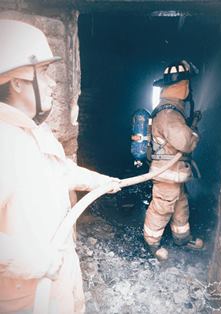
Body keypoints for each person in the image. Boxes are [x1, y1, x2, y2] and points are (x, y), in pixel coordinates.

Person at [0, 19, 120, 314]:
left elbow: (59, 170)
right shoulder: (4, 144)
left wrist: (99, 181)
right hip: (28, 299)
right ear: (17, 82)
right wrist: (35, 262)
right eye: (43, 72)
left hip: (58, 286)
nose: (53, 83)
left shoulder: (33, 131)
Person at [144, 60, 204, 261]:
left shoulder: (172, 111)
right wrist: (194, 133)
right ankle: (151, 243)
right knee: (162, 208)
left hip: (174, 174)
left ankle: (181, 237)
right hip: (166, 174)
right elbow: (185, 142)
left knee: (180, 204)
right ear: (182, 86)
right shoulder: (169, 113)